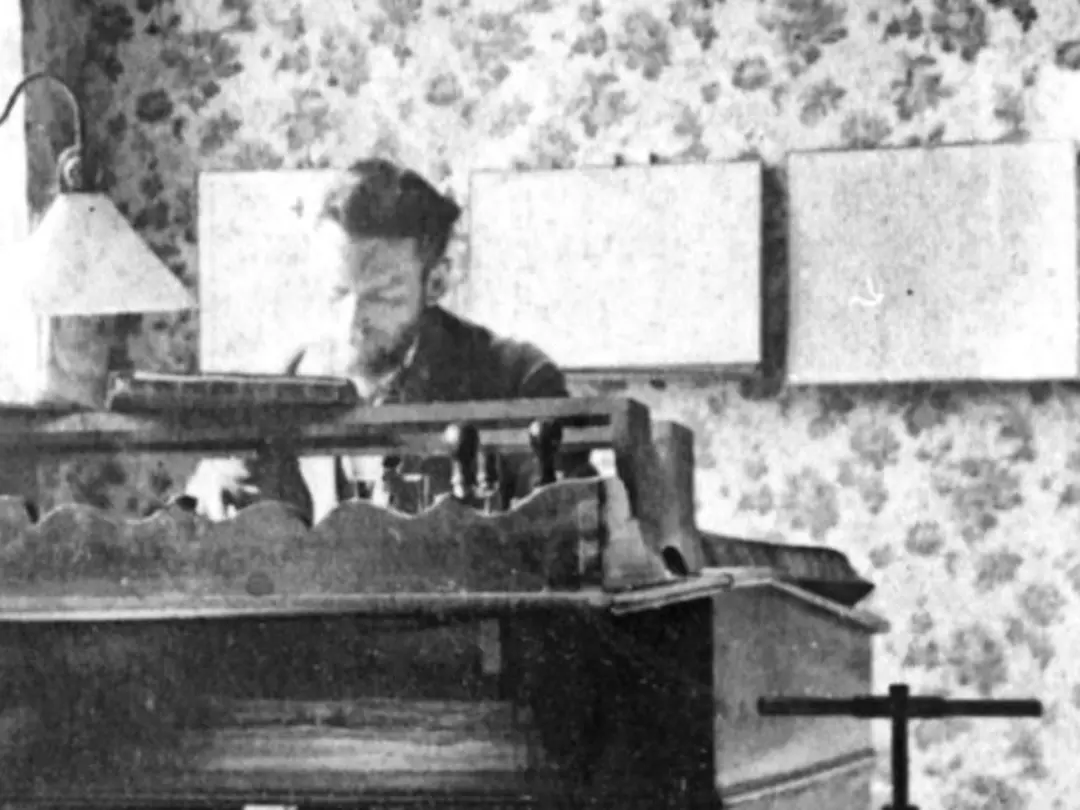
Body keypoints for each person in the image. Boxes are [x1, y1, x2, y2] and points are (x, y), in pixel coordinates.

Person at [186, 158, 592, 522]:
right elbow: (218, 494)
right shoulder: (282, 383)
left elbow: (567, 531)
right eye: (336, 292)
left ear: (435, 283)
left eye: (381, 297)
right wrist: (216, 496)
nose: (350, 325)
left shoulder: (517, 379)